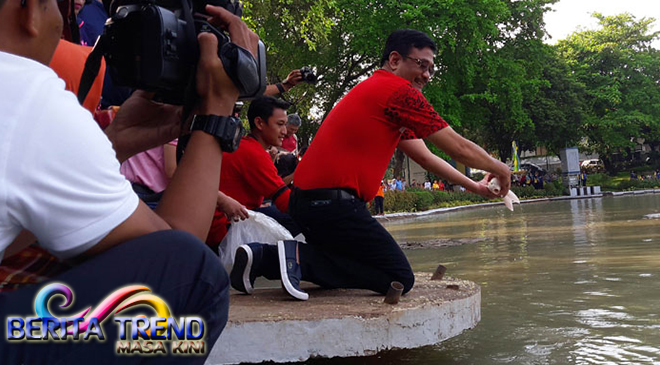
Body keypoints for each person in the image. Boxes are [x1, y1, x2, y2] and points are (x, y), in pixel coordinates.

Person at [0, 1, 259, 362]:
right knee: (196, 273)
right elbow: (177, 254)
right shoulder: (26, 93)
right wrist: (215, 114)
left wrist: (116, 142)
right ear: (28, 10)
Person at [229, 29, 510, 301]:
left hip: (309, 204)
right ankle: (291, 257)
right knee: (398, 277)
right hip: (333, 205)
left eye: (431, 69)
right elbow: (456, 146)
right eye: (421, 64)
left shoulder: (379, 95)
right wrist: (501, 168)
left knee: (347, 262)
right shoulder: (399, 92)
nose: (426, 74)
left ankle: (265, 258)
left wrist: (475, 186)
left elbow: (425, 157)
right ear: (395, 60)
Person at [206, 96, 301, 250]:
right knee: (300, 217)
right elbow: (287, 203)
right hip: (224, 230)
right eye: (280, 124)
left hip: (216, 221)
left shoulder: (245, 145)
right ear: (259, 123)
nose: (285, 132)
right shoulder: (254, 153)